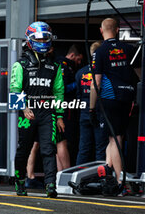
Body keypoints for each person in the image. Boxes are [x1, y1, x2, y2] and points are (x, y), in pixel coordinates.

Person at [10, 21, 65, 198]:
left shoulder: (55, 67)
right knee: (23, 149)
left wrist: (59, 116)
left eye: (45, 38)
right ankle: (19, 181)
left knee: (49, 149)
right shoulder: (20, 65)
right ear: (30, 39)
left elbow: (58, 92)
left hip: (47, 112)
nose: (42, 41)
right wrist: (24, 107)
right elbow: (14, 90)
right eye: (39, 38)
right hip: (28, 113)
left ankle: (50, 185)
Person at [89, 18, 138, 193]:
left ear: (101, 31)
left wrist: (91, 107)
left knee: (114, 139)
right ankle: (108, 167)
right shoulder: (129, 49)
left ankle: (120, 180)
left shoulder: (100, 51)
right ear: (117, 30)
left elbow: (96, 81)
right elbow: (138, 74)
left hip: (109, 98)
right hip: (127, 97)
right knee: (117, 137)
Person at [75, 41, 108, 165]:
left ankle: (78, 178)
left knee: (84, 148)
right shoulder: (104, 72)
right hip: (100, 112)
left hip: (84, 112)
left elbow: (78, 94)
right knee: (101, 148)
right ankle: (100, 178)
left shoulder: (80, 73)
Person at [56, 44, 83, 167]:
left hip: (62, 107)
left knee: (60, 141)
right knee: (63, 141)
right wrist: (79, 84)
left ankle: (60, 175)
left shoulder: (67, 66)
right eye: (78, 59)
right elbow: (62, 88)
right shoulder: (63, 65)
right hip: (65, 108)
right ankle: (65, 173)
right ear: (72, 55)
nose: (79, 62)